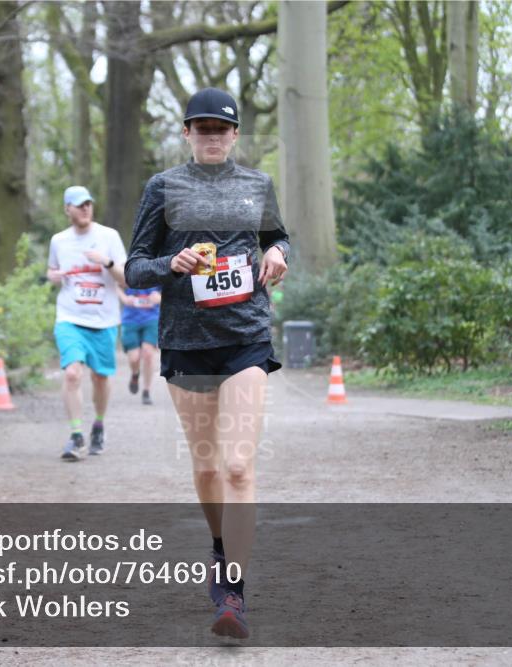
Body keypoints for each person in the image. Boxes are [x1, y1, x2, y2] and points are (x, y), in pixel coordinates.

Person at [124, 88, 289, 639]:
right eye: (202, 128)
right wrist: (171, 263)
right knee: (208, 468)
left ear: (235, 135)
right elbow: (135, 267)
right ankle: (220, 548)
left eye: (221, 129)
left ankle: (233, 592)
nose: (212, 136)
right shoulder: (163, 187)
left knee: (238, 466)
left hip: (246, 336)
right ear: (187, 133)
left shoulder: (257, 185)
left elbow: (278, 237)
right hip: (186, 340)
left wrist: (277, 252)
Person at [47, 186, 127, 460]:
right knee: (72, 374)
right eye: (79, 205)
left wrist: (107, 262)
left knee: (100, 378)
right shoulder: (59, 240)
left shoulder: (109, 237)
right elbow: (52, 269)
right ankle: (76, 435)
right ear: (67, 209)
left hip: (104, 320)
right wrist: (53, 276)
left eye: (88, 204)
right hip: (69, 317)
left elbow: (126, 279)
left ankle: (99, 425)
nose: (85, 209)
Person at [116, 284, 161, 405]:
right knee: (134, 358)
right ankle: (135, 374)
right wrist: (124, 298)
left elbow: (170, 287)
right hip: (130, 319)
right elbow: (115, 284)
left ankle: (146, 391)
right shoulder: (126, 270)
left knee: (148, 354)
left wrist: (160, 297)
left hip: (152, 317)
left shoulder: (159, 271)